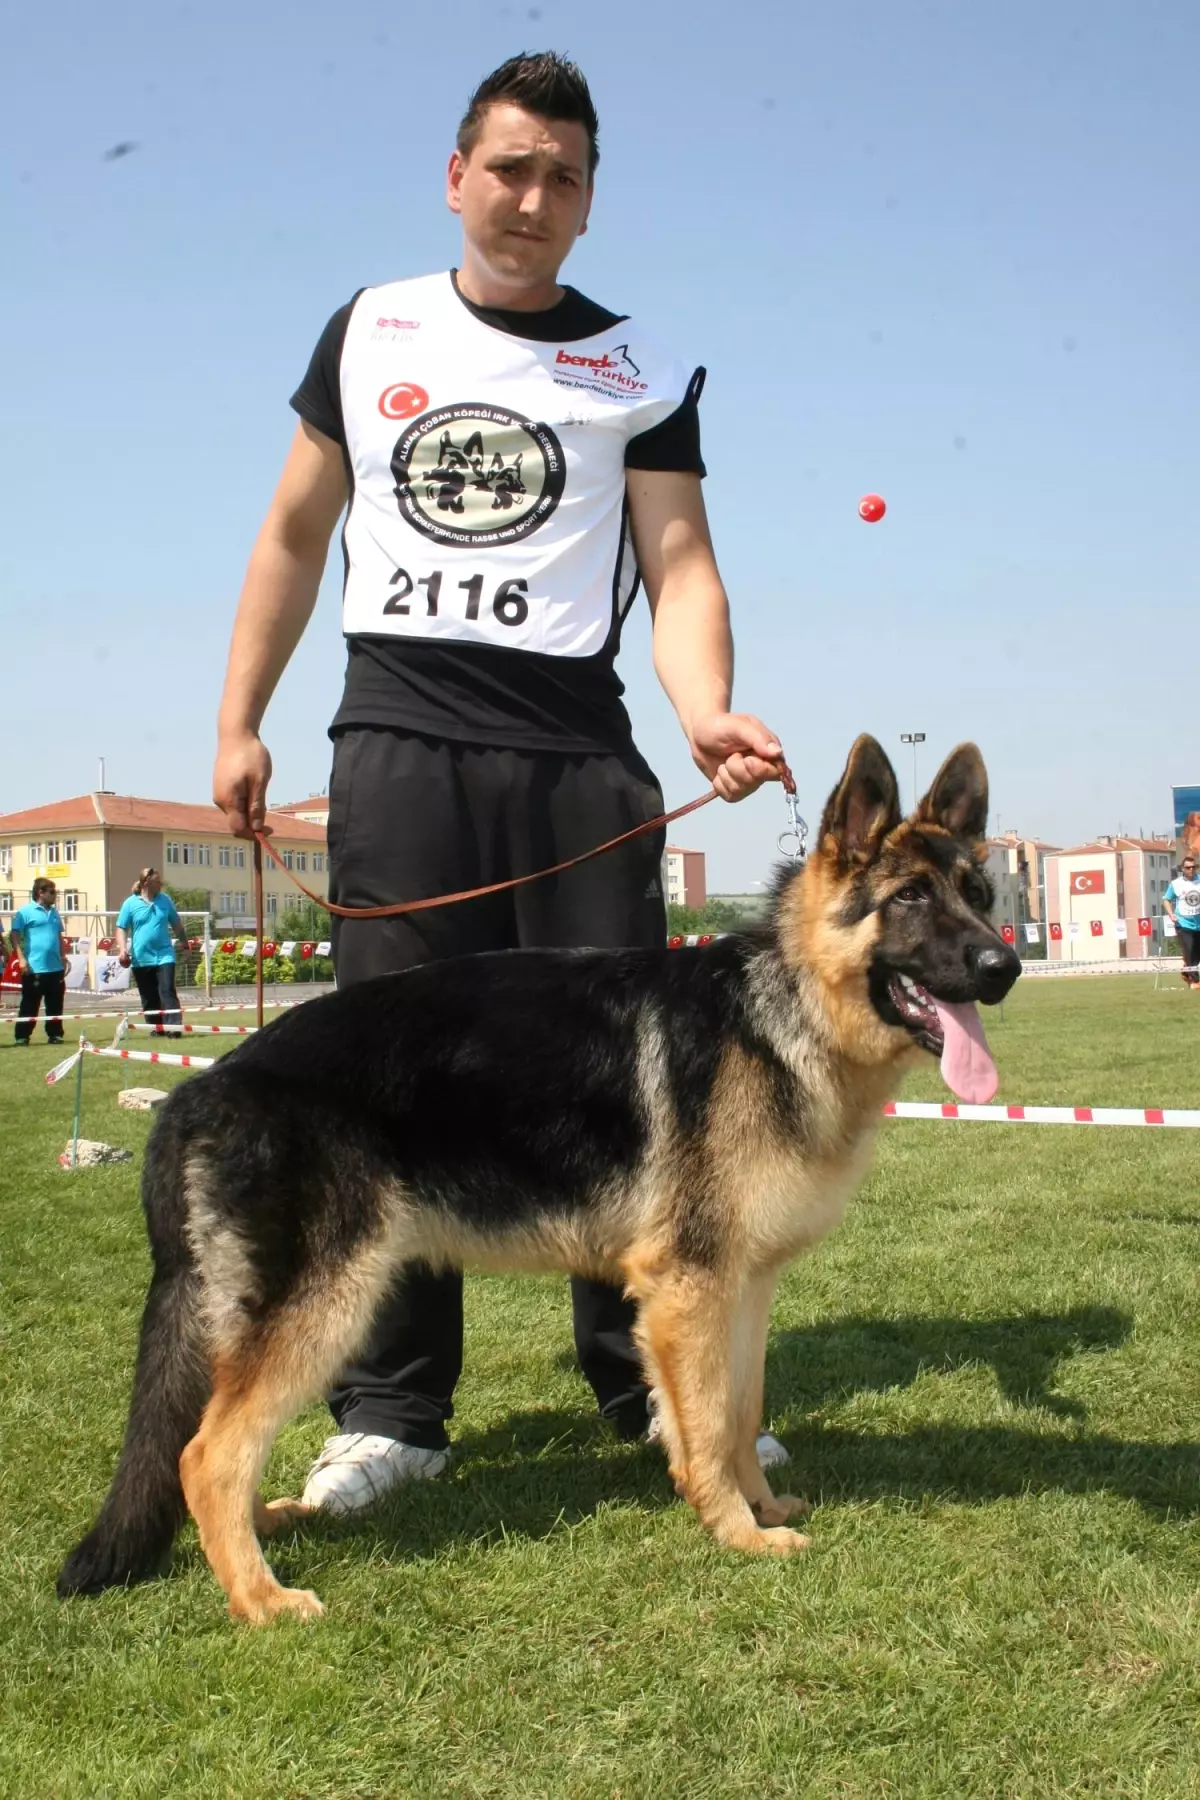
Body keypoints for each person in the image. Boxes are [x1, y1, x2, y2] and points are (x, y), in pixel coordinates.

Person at [212, 52, 790, 1517]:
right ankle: (392, 1415)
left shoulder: (637, 365)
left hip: (580, 762)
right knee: (393, 1084)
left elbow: (679, 563)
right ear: (457, 176)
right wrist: (239, 719)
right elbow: (292, 534)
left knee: (623, 1086)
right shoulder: (371, 327)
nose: (533, 199)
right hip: (398, 748)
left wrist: (705, 709)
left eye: (563, 177)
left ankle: (646, 1392)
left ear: (591, 202)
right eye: (511, 168)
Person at [115, 868, 189, 1033]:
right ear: (146, 883)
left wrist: (185, 944)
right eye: (157, 881)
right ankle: (156, 1027)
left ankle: (174, 1027)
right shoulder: (130, 903)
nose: (161, 884)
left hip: (165, 955)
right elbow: (121, 928)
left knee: (167, 991)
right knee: (148, 997)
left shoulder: (165, 900)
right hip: (141, 958)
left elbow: (177, 925)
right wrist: (122, 949)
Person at [11, 878, 70, 1046]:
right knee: (29, 1004)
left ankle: (55, 1034)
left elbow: (58, 936)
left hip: (55, 968)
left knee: (55, 1004)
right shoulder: (25, 911)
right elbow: (14, 935)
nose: (55, 895)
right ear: (40, 892)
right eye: (52, 892)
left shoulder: (54, 912)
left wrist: (63, 956)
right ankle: (22, 1037)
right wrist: (21, 959)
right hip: (34, 968)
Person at [1164, 852, 1200, 988]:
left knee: (1197, 953)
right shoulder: (1176, 884)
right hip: (1183, 923)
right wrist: (1171, 914)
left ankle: (1186, 970)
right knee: (1189, 950)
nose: (1191, 869)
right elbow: (1166, 899)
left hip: (1199, 923)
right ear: (1183, 869)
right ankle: (1195, 981)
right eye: (1188, 867)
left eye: (1193, 867)